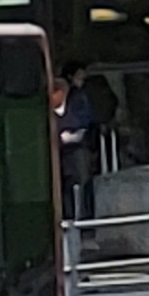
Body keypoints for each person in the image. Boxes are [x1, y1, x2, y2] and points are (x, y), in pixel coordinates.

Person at [55, 64, 106, 226]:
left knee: (80, 182)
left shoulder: (79, 98)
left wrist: (66, 132)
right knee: (61, 186)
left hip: (77, 148)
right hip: (58, 150)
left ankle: (82, 220)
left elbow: (83, 121)